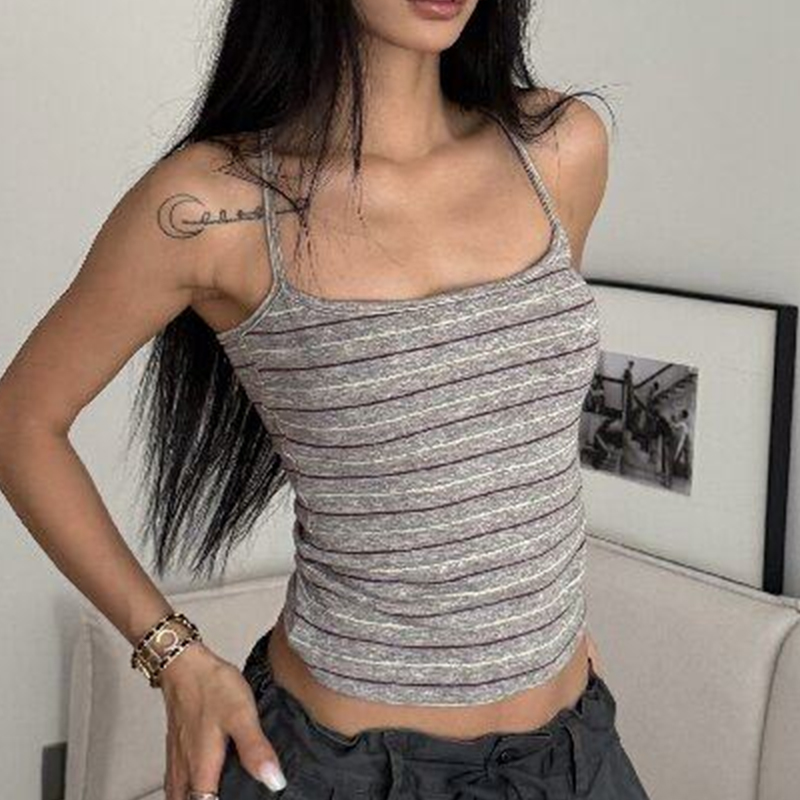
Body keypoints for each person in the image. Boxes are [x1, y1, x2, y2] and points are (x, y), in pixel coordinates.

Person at [0, 2, 651, 799]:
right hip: (342, 767)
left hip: (575, 751)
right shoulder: (214, 208)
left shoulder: (558, 147)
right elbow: (20, 422)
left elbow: (510, 429)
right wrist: (174, 658)